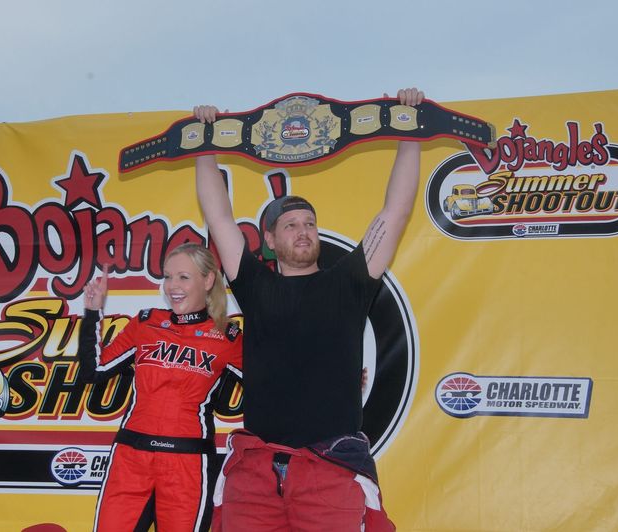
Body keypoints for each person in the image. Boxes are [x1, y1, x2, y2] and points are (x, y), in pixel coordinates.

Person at [193, 87, 424, 531]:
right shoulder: (255, 284)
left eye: (310, 223)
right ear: (271, 240)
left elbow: (395, 212)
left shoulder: (349, 281)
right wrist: (204, 142)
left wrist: (410, 128)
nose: (304, 231)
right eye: (291, 225)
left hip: (330, 471)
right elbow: (218, 216)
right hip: (256, 474)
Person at [77, 243, 243, 532]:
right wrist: (93, 312)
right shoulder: (145, 323)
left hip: (187, 464)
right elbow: (95, 371)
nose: (172, 286)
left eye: (183, 277)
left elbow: (270, 386)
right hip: (130, 458)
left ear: (207, 281)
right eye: (168, 277)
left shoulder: (228, 337)